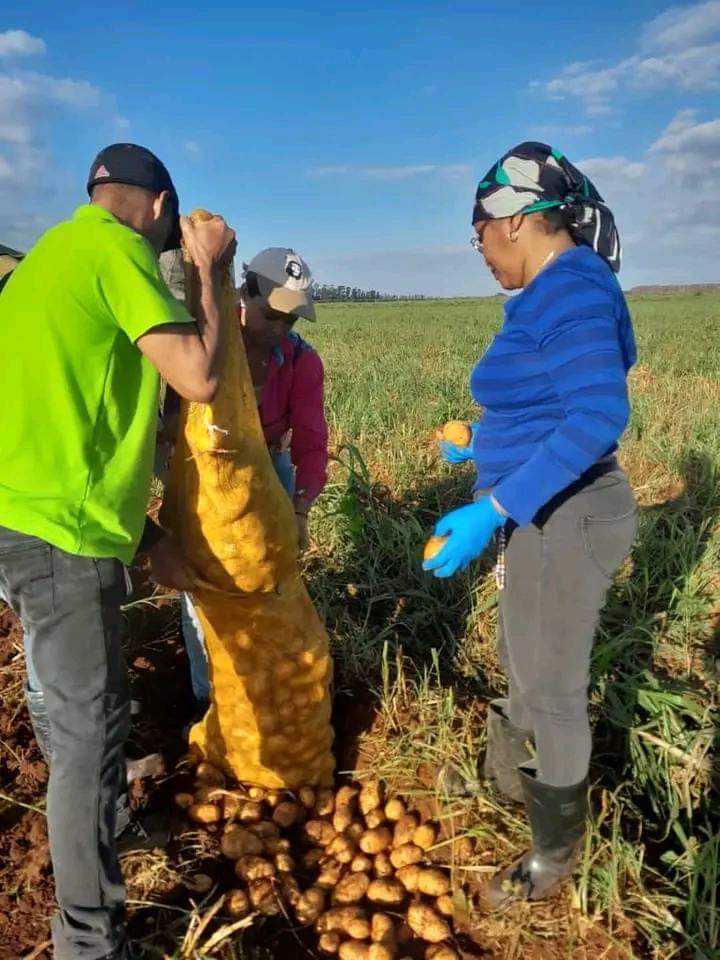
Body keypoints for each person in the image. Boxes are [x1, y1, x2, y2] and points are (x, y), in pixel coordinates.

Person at [0, 142, 235, 960]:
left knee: (65, 704)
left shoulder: (49, 258)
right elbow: (198, 377)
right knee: (90, 729)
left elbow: (73, 412)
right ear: (163, 208)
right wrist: (207, 270)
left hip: (23, 514)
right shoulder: (116, 248)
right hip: (60, 535)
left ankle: (99, 814)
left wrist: (149, 538)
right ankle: (89, 944)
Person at [424, 142, 638, 909]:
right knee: (524, 660)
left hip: (570, 514)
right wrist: (483, 448)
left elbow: (600, 413)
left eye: (476, 233)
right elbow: (555, 407)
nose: (478, 251)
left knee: (553, 690)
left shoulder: (573, 288)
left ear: (511, 220)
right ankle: (506, 780)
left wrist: (495, 506)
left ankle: (552, 862)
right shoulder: (560, 288)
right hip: (545, 508)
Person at [177, 246, 329, 709]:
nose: (281, 329)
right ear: (244, 293)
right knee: (206, 583)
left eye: (292, 320)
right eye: (272, 315)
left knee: (272, 577)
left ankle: (271, 688)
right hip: (207, 470)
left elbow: (311, 441)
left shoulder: (302, 362)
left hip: (270, 466)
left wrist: (299, 508)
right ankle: (213, 699)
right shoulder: (207, 350)